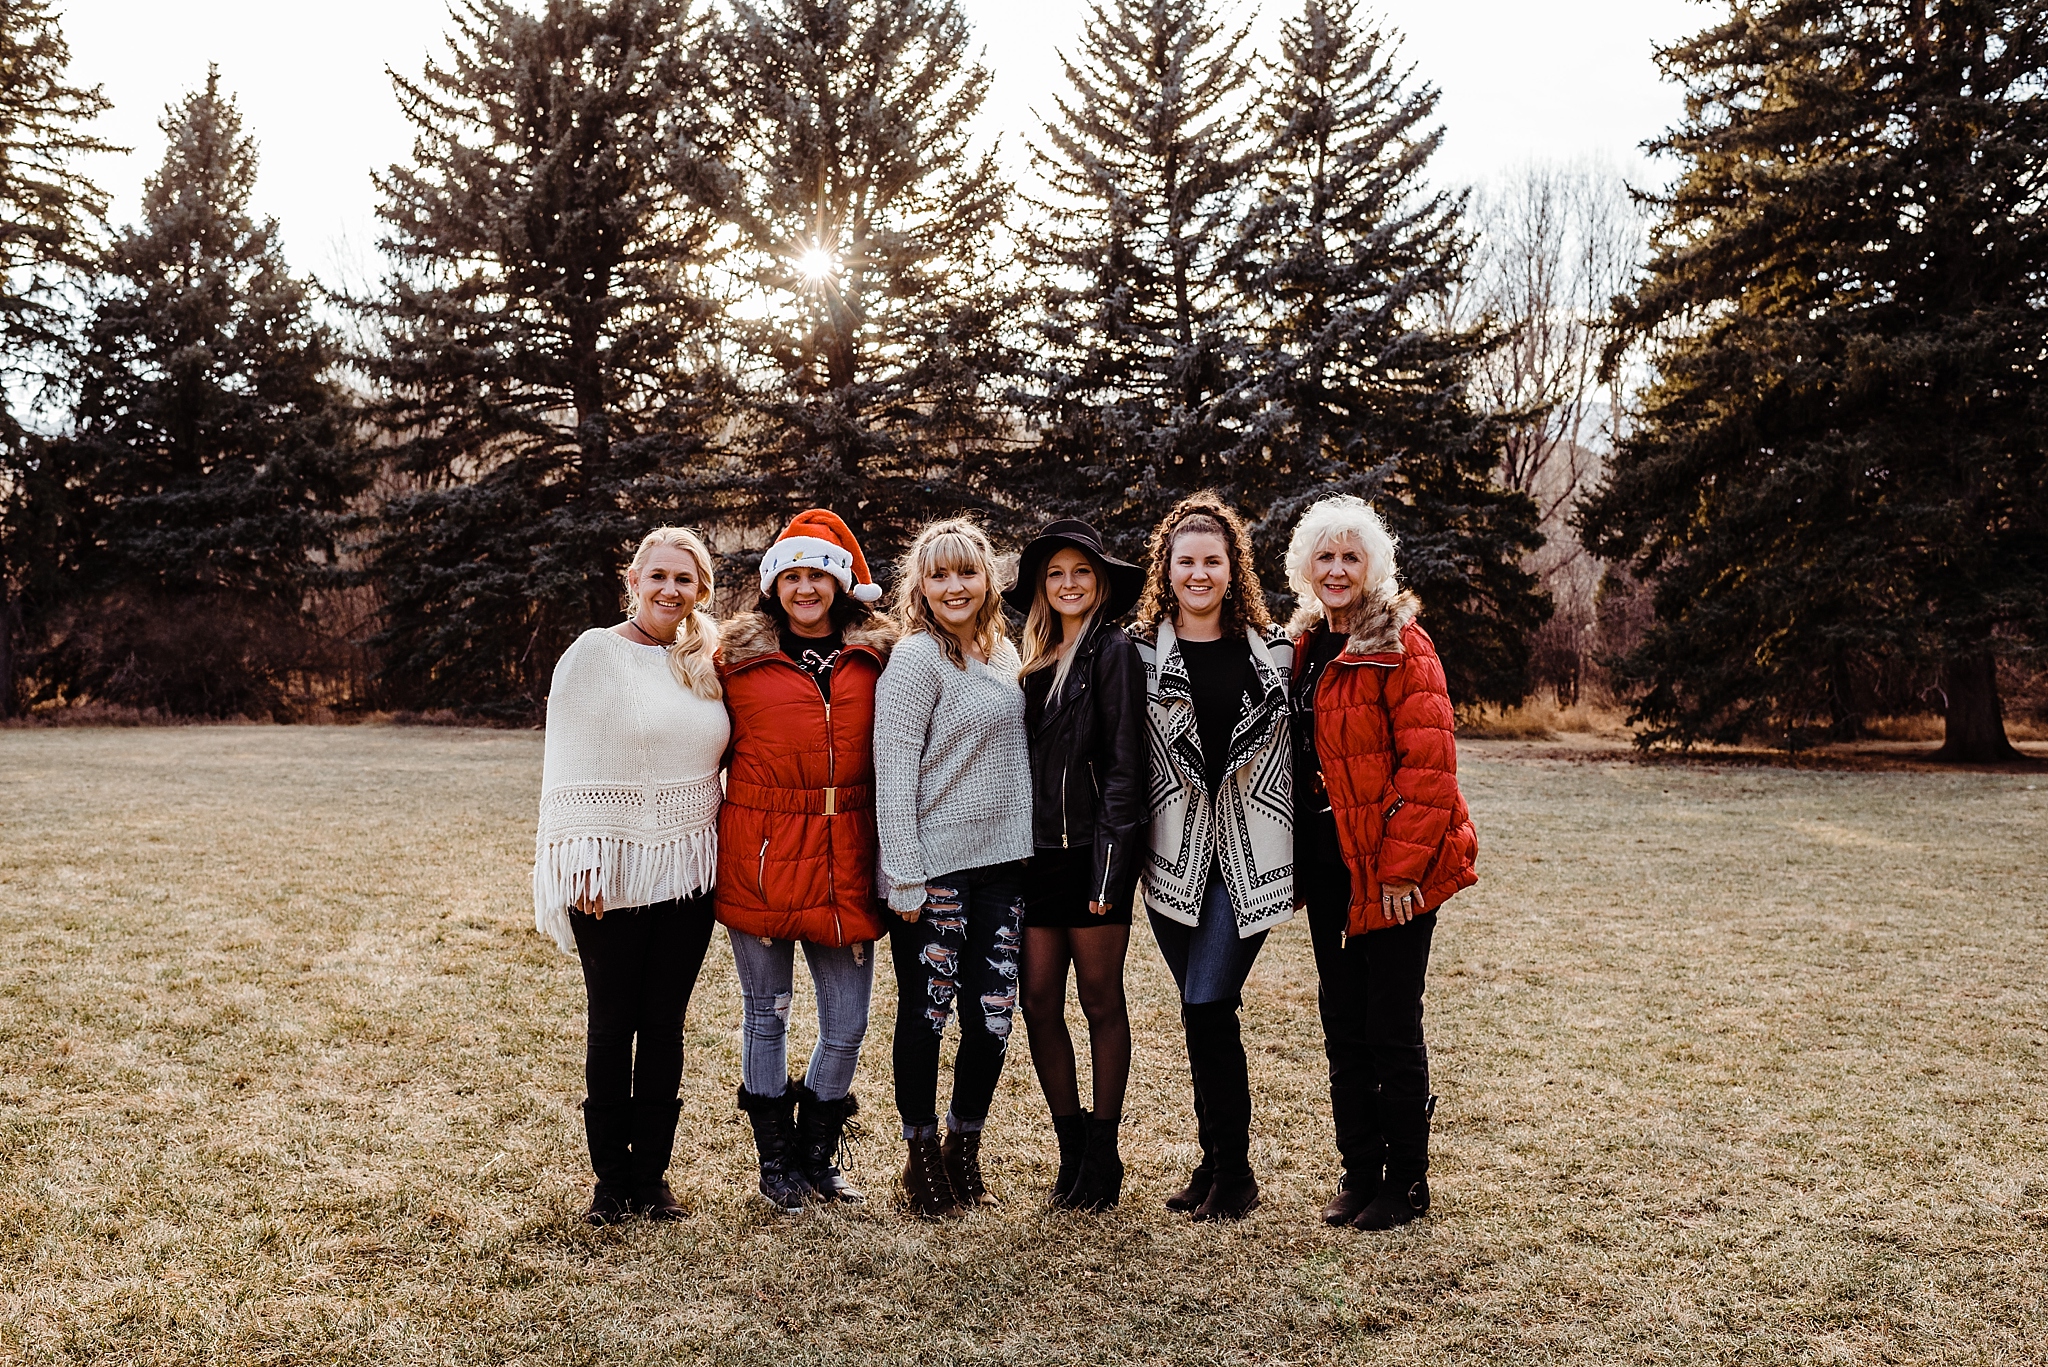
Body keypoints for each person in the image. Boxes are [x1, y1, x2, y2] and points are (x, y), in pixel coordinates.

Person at [1285, 494, 1476, 1231]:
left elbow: (1429, 768)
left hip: (1397, 870)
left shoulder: (1402, 644)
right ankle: (1360, 1171)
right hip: (1331, 863)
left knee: (1390, 1023)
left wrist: (1399, 870)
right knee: (1343, 1022)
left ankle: (1406, 1183)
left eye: (1351, 557)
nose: (1337, 570)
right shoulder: (1304, 646)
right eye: (1325, 557)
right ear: (1306, 568)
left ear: (1374, 567)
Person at [533, 527, 729, 1224]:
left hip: (689, 868)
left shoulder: (706, 659)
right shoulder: (594, 653)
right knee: (613, 1024)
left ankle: (651, 1177)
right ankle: (610, 1182)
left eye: (684, 579)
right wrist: (583, 861)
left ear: (700, 589)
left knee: (665, 1025)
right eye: (659, 577)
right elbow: (571, 760)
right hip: (611, 871)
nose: (670, 590)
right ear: (634, 581)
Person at [715, 509, 897, 1213]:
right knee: (767, 1014)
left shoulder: (878, 655)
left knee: (847, 1022)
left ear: (840, 583)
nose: (805, 588)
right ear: (773, 585)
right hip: (762, 855)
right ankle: (776, 1161)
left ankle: (818, 1155)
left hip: (848, 854)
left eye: (817, 575)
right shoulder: (734, 658)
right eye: (790, 575)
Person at [1132, 493, 1295, 1221]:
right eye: (1186, 561)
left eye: (1213, 561)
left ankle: (1236, 1174)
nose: (1199, 573)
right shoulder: (1139, 653)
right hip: (1173, 859)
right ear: (1166, 569)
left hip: (1251, 858)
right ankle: (1214, 1162)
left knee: (1208, 1003)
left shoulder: (1277, 652)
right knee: (1203, 1014)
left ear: (1234, 569)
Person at [874, 518, 1034, 1218]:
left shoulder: (1003, 652)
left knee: (993, 1016)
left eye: (966, 572)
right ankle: (920, 1155)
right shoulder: (915, 659)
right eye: (938, 575)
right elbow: (893, 771)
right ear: (921, 586)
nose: (953, 586)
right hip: (935, 870)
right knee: (928, 1013)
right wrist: (904, 875)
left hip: (1005, 866)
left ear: (987, 579)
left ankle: (963, 1148)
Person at [1007, 518, 1148, 1211]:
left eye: (1081, 572)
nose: (1068, 583)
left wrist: (1111, 868)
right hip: (1033, 856)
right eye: (1056, 574)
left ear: (1100, 584)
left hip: (1092, 855)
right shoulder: (1030, 657)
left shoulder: (1112, 651)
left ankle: (1103, 1151)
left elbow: (1125, 766)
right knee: (1038, 1001)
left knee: (1099, 1000)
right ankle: (1070, 1148)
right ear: (1042, 586)